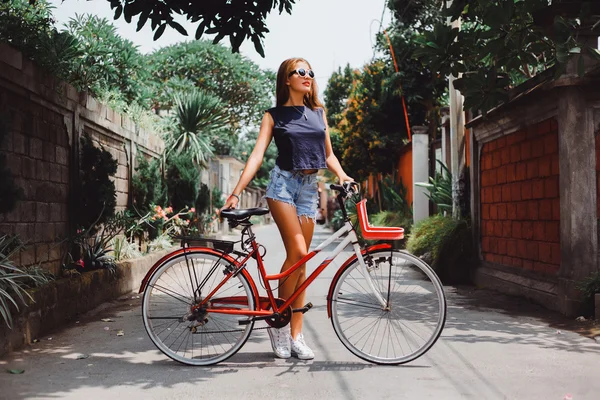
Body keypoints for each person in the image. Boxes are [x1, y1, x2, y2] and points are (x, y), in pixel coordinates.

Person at [220, 57, 353, 360]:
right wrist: (236, 193)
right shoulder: (274, 115)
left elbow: (328, 155)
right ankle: (279, 324)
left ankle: (296, 334)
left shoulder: (319, 114)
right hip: (282, 187)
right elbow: (256, 155)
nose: (307, 76)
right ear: (287, 80)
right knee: (298, 252)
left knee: (301, 265)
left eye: (310, 72)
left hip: (308, 189)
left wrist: (342, 175)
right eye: (300, 72)